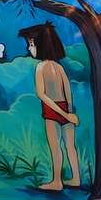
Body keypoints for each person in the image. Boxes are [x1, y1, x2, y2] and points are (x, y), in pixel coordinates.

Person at [18, 21, 81, 191]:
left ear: (40, 45)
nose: (29, 48)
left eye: (31, 44)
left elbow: (41, 94)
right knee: (70, 146)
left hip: (52, 109)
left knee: (55, 147)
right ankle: (75, 178)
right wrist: (69, 112)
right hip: (65, 107)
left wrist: (63, 113)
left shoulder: (41, 67)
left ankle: (57, 182)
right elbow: (67, 90)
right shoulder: (59, 67)